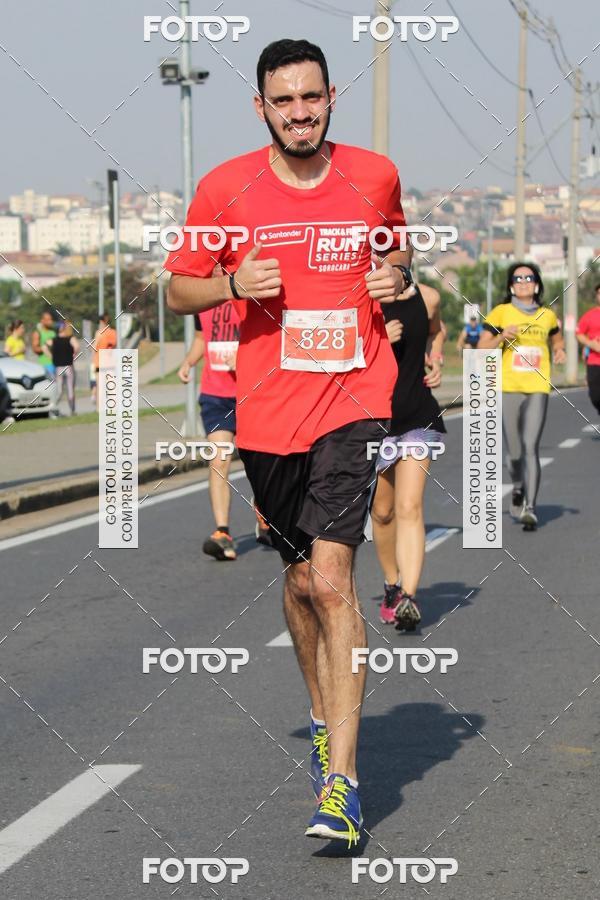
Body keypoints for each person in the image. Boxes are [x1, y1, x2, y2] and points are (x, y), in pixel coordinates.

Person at [166, 38, 412, 845]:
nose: (300, 112)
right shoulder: (225, 188)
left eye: (312, 98)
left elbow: (397, 249)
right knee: (302, 584)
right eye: (285, 101)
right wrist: (233, 283)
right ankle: (319, 718)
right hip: (268, 415)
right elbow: (176, 290)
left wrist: (396, 278)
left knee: (336, 582)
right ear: (262, 107)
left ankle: (341, 784)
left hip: (353, 399)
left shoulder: (373, 175)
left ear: (330, 97)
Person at [371, 282, 445, 630]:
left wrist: (435, 358)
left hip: (418, 414)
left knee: (409, 506)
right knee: (383, 513)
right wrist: (377, 338)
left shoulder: (428, 298)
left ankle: (409, 597)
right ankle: (392, 584)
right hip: (374, 420)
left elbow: (437, 332)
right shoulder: (360, 296)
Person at [478, 262, 566, 531]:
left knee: (530, 447)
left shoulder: (547, 316)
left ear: (537, 284)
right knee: (514, 453)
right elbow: (482, 347)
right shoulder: (501, 312)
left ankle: (530, 507)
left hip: (538, 387)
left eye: (529, 278)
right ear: (510, 285)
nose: (523, 282)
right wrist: (502, 336)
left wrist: (560, 351)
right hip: (509, 387)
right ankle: (517, 486)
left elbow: (557, 339)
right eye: (518, 278)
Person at [178, 291, 241, 561]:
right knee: (219, 461)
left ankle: (265, 515)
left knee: (260, 464)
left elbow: (273, 338)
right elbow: (202, 339)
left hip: (254, 392)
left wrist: (245, 355)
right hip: (216, 395)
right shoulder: (201, 297)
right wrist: (189, 361)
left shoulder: (249, 293)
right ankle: (223, 532)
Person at [576, 282, 600, 418]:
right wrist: (591, 343)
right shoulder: (589, 315)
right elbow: (579, 333)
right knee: (595, 396)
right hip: (595, 362)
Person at [48, 322, 79, 415]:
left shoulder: (54, 340)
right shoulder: (70, 338)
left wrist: (51, 356)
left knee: (59, 389)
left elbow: (45, 345)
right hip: (68, 366)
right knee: (70, 388)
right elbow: (77, 346)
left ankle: (53, 407)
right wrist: (73, 356)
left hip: (59, 367)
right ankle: (72, 410)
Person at [92, 313, 117, 407]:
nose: (100, 324)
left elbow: (111, 347)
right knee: (102, 386)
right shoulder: (100, 333)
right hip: (101, 363)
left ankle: (108, 407)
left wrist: (98, 339)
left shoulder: (110, 332)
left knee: (108, 386)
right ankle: (100, 408)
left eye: (101, 322)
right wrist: (97, 339)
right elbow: (94, 348)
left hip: (106, 363)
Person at [31, 311, 56, 376]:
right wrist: (47, 346)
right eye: (48, 320)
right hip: (46, 364)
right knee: (50, 385)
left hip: (57, 363)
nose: (50, 321)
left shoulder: (53, 332)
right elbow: (35, 349)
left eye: (51, 319)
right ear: (42, 321)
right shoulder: (37, 333)